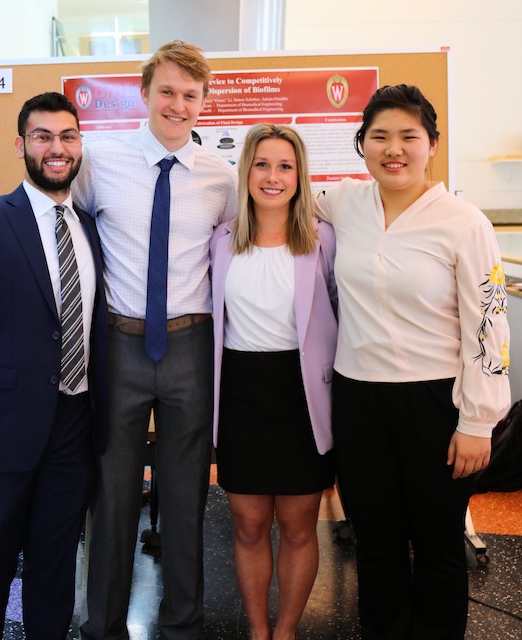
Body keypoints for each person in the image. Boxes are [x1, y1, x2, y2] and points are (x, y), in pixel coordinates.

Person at [314, 84, 511, 640]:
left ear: (432, 145)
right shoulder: (345, 203)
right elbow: (275, 193)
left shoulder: (463, 221)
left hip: (435, 402)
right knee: (375, 542)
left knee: (437, 544)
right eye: (379, 136)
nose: (393, 149)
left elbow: (488, 324)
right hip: (358, 400)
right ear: (361, 144)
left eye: (408, 136)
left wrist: (478, 422)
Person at [71, 41, 237, 640]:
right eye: (167, 91)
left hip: (191, 345)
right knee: (112, 495)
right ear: (144, 93)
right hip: (120, 345)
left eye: (190, 95)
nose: (178, 104)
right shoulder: (100, 162)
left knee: (187, 491)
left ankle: (183, 623)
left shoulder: (223, 177)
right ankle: (105, 626)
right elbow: (59, 217)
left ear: (204, 102)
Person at [0, 92, 108, 640]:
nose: (57, 149)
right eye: (43, 137)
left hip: (74, 425)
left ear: (79, 146)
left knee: (54, 568)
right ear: (21, 145)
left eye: (67, 137)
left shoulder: (91, 226)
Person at [210, 123, 337, 640]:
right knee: (248, 525)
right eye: (262, 164)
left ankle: (285, 632)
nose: (273, 176)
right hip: (240, 391)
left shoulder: (323, 238)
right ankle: (258, 633)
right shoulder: (220, 239)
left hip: (303, 396)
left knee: (299, 527)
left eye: (285, 166)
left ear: (300, 175)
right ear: (246, 171)